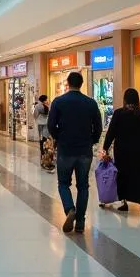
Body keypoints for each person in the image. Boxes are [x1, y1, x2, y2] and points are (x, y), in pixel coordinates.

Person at [48, 72, 103, 233]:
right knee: (83, 186)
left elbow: (51, 125)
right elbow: (98, 128)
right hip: (84, 151)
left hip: (65, 149)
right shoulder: (91, 103)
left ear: (68, 83)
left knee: (63, 184)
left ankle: (69, 209)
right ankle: (80, 222)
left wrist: (59, 137)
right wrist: (91, 140)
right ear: (82, 84)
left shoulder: (59, 102)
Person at [102, 89, 140, 214]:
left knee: (124, 176)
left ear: (125, 99)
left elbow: (111, 133)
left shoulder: (119, 114)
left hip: (123, 152)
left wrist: (105, 147)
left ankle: (124, 202)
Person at [33, 94, 51, 164]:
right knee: (45, 137)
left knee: (41, 137)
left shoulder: (37, 106)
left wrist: (37, 119)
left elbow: (35, 115)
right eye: (46, 99)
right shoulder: (47, 106)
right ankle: (45, 149)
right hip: (46, 123)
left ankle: (42, 150)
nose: (47, 100)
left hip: (40, 123)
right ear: (44, 100)